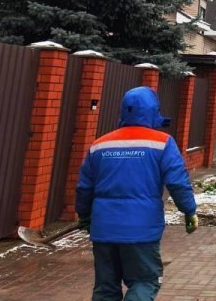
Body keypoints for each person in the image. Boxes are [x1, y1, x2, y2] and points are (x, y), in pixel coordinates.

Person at [76, 86, 198, 301]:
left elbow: (85, 187)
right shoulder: (162, 143)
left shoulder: (99, 145)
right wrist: (189, 211)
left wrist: (84, 215)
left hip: (104, 229)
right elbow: (177, 182)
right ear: (153, 112)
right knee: (145, 281)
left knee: (106, 288)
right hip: (141, 230)